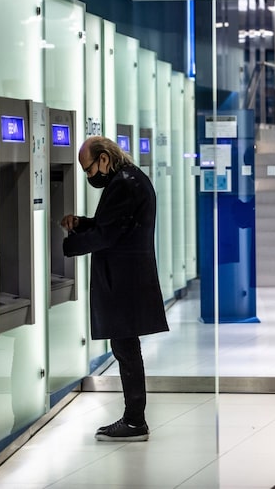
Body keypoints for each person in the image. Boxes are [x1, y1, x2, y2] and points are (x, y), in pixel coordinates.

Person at [61, 136, 168, 441]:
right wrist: (82, 223)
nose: (89, 176)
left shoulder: (123, 183)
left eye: (89, 169)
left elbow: (108, 234)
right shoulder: (130, 179)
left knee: (126, 349)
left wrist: (69, 246)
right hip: (128, 277)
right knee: (125, 348)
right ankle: (133, 418)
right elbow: (114, 223)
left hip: (125, 280)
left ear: (104, 159)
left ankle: (135, 421)